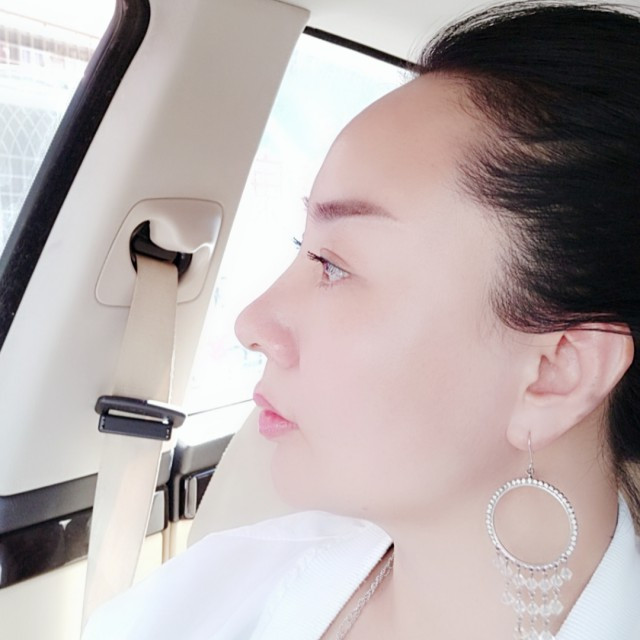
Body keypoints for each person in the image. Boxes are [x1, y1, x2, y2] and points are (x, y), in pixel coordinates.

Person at [82, 2, 640, 639]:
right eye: (304, 247)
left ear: (556, 373)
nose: (250, 323)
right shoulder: (205, 596)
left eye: (334, 265)